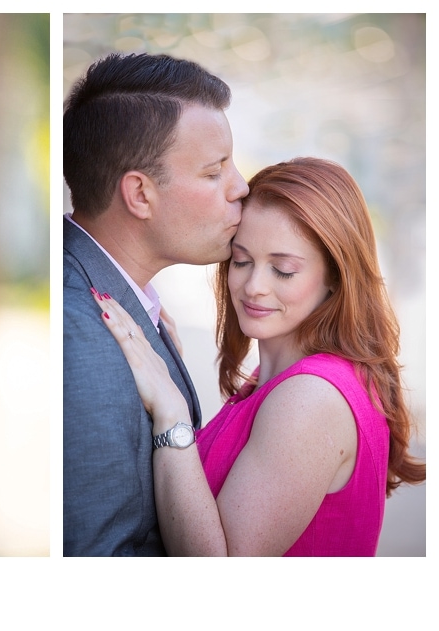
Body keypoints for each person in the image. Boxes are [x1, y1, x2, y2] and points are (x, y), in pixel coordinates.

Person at [95, 157, 425, 555]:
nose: (253, 286)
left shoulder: (311, 398)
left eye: (283, 269)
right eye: (242, 261)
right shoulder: (277, 382)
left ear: (336, 277)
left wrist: (172, 413)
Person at [62, 53, 249, 556]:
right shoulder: (80, 335)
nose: (241, 188)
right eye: (214, 173)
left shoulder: (124, 298)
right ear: (140, 194)